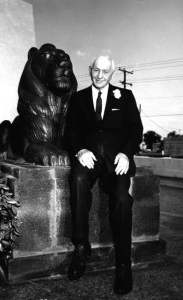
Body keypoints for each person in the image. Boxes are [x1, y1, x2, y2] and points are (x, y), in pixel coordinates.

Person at [64, 55, 143, 295]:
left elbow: (135, 131)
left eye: (105, 72)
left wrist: (126, 154)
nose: (99, 76)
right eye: (96, 70)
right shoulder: (77, 99)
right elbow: (70, 132)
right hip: (89, 160)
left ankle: (122, 264)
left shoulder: (125, 97)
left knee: (121, 197)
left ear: (112, 74)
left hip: (116, 161)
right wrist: (80, 150)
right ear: (90, 70)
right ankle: (80, 246)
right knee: (77, 180)